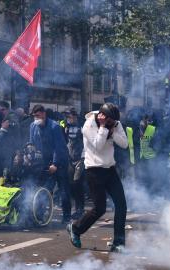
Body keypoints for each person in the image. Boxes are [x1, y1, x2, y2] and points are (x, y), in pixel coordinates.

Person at [67, 103, 128, 252]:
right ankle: (75, 228)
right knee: (99, 208)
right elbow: (98, 146)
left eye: (114, 122)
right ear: (103, 117)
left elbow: (125, 144)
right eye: (110, 122)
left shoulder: (115, 122)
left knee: (121, 205)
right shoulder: (89, 125)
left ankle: (119, 243)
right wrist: (102, 127)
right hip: (94, 170)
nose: (114, 124)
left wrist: (113, 132)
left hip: (110, 168)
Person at [29, 104, 71, 223]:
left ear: (43, 114)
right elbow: (31, 143)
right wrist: (29, 154)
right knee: (44, 189)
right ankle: (40, 215)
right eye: (34, 116)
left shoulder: (54, 127)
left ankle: (67, 216)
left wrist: (55, 164)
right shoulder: (33, 126)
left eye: (38, 115)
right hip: (44, 162)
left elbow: (59, 148)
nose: (36, 118)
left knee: (63, 190)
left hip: (60, 162)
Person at [64, 109, 85, 219]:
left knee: (77, 182)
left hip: (80, 158)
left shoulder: (82, 126)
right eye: (67, 117)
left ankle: (80, 209)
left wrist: (83, 157)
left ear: (75, 116)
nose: (68, 118)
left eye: (70, 116)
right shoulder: (66, 127)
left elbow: (86, 141)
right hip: (70, 158)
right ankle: (77, 208)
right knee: (71, 184)